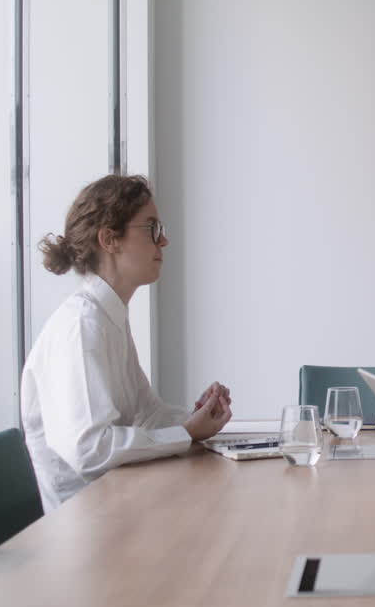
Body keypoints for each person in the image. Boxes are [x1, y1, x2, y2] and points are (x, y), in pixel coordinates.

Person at [21, 174, 232, 509]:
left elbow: (146, 414)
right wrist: (187, 433)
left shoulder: (109, 317)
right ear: (109, 239)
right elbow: (89, 450)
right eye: (152, 229)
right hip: (85, 526)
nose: (164, 242)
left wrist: (195, 418)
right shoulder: (82, 326)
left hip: (118, 504)